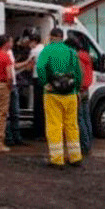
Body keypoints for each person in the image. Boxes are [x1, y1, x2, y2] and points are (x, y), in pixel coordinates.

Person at [37, 28, 82, 167]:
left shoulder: (47, 50)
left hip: (53, 94)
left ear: (51, 37)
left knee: (54, 126)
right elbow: (78, 73)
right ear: (62, 37)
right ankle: (75, 157)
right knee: (72, 125)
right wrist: (76, 88)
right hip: (70, 94)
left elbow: (40, 67)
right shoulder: (71, 52)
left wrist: (45, 83)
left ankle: (57, 159)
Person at [66, 37, 93, 156]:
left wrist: (76, 87)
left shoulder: (77, 57)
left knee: (79, 119)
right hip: (86, 89)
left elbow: (80, 73)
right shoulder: (86, 56)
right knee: (86, 118)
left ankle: (84, 146)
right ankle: (89, 143)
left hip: (80, 90)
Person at [23, 34, 45, 139]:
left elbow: (28, 66)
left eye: (30, 42)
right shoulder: (44, 49)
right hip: (45, 80)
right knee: (43, 106)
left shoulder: (34, 51)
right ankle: (43, 131)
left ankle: (38, 132)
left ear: (34, 42)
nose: (29, 44)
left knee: (38, 107)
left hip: (37, 79)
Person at [4, 37, 25, 146]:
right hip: (8, 86)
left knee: (15, 113)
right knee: (6, 114)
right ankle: (9, 138)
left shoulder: (10, 52)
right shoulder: (3, 53)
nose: (13, 43)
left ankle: (17, 137)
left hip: (13, 85)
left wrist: (26, 63)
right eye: (11, 41)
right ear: (6, 42)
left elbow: (14, 67)